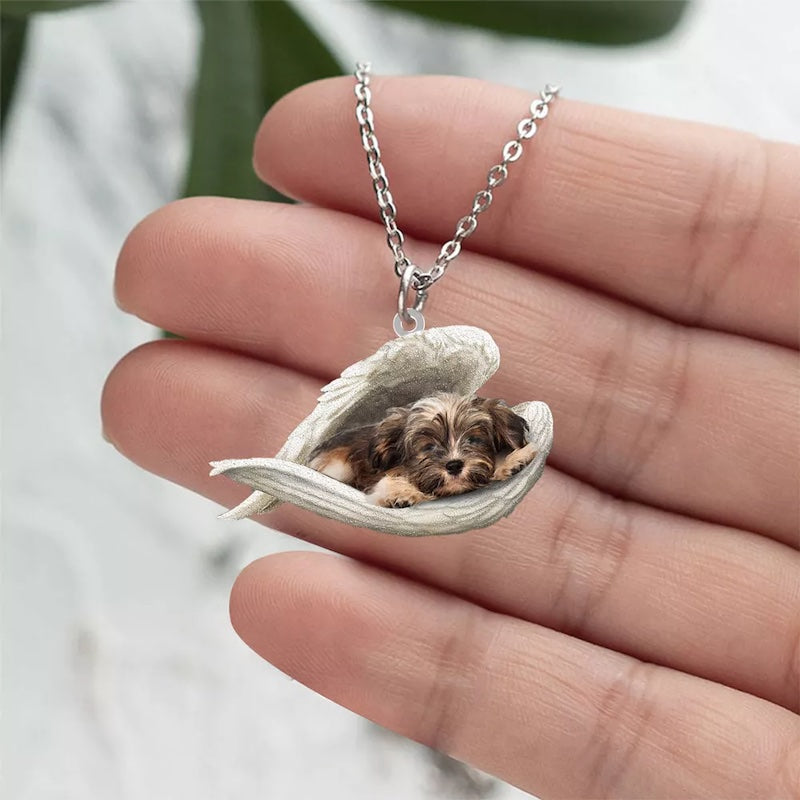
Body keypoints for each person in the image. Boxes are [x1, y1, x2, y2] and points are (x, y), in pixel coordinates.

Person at [102, 76, 800, 799]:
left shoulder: (491, 438)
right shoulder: (382, 452)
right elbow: (385, 480)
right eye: (436, 450)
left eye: (473, 447)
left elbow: (498, 457)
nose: (459, 461)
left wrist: (510, 458)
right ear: (403, 445)